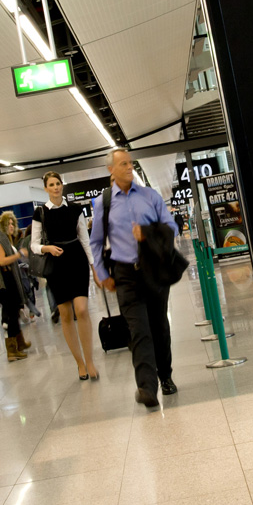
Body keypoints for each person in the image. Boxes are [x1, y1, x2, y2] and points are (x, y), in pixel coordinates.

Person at [90, 148, 180, 407]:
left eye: (131, 163)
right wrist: (102, 272)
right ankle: (147, 388)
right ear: (111, 170)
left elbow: (171, 227)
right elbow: (96, 242)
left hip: (154, 271)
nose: (129, 167)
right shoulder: (103, 203)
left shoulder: (150, 196)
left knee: (159, 327)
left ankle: (166, 376)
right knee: (139, 331)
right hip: (126, 275)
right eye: (123, 164)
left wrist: (149, 233)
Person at [31, 171, 100, 380]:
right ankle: (79, 363)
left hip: (76, 260)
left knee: (81, 309)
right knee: (66, 314)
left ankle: (89, 360)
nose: (55, 187)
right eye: (51, 184)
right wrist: (47, 248)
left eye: (58, 183)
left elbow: (85, 239)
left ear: (62, 185)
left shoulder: (76, 209)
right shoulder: (40, 212)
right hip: (56, 265)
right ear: (46, 188)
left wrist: (94, 267)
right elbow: (33, 244)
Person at [0, 211, 32, 361]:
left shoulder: (7, 240)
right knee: (12, 316)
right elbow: (2, 261)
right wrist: (18, 254)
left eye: (12, 223)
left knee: (14, 314)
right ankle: (12, 350)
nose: (10, 226)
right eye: (7, 223)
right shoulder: (1, 241)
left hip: (11, 281)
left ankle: (19, 344)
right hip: (6, 283)